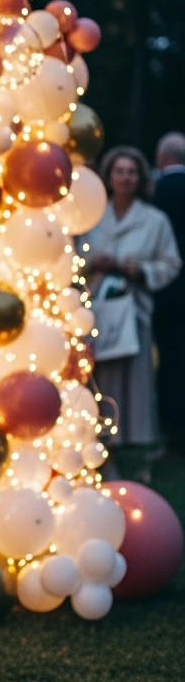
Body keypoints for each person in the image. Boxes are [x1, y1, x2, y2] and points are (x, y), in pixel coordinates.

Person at [83, 146, 181, 466]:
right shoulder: (92, 217)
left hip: (134, 308)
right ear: (109, 176)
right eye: (119, 171)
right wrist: (91, 262)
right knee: (99, 370)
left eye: (132, 172)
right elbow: (70, 257)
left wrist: (142, 270)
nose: (125, 178)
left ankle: (131, 436)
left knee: (133, 373)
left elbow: (171, 262)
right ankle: (99, 435)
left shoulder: (154, 221)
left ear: (140, 177)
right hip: (96, 306)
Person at [152, 132, 185, 455]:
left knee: (173, 361)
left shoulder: (158, 192)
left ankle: (175, 434)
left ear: (162, 159)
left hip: (170, 291)